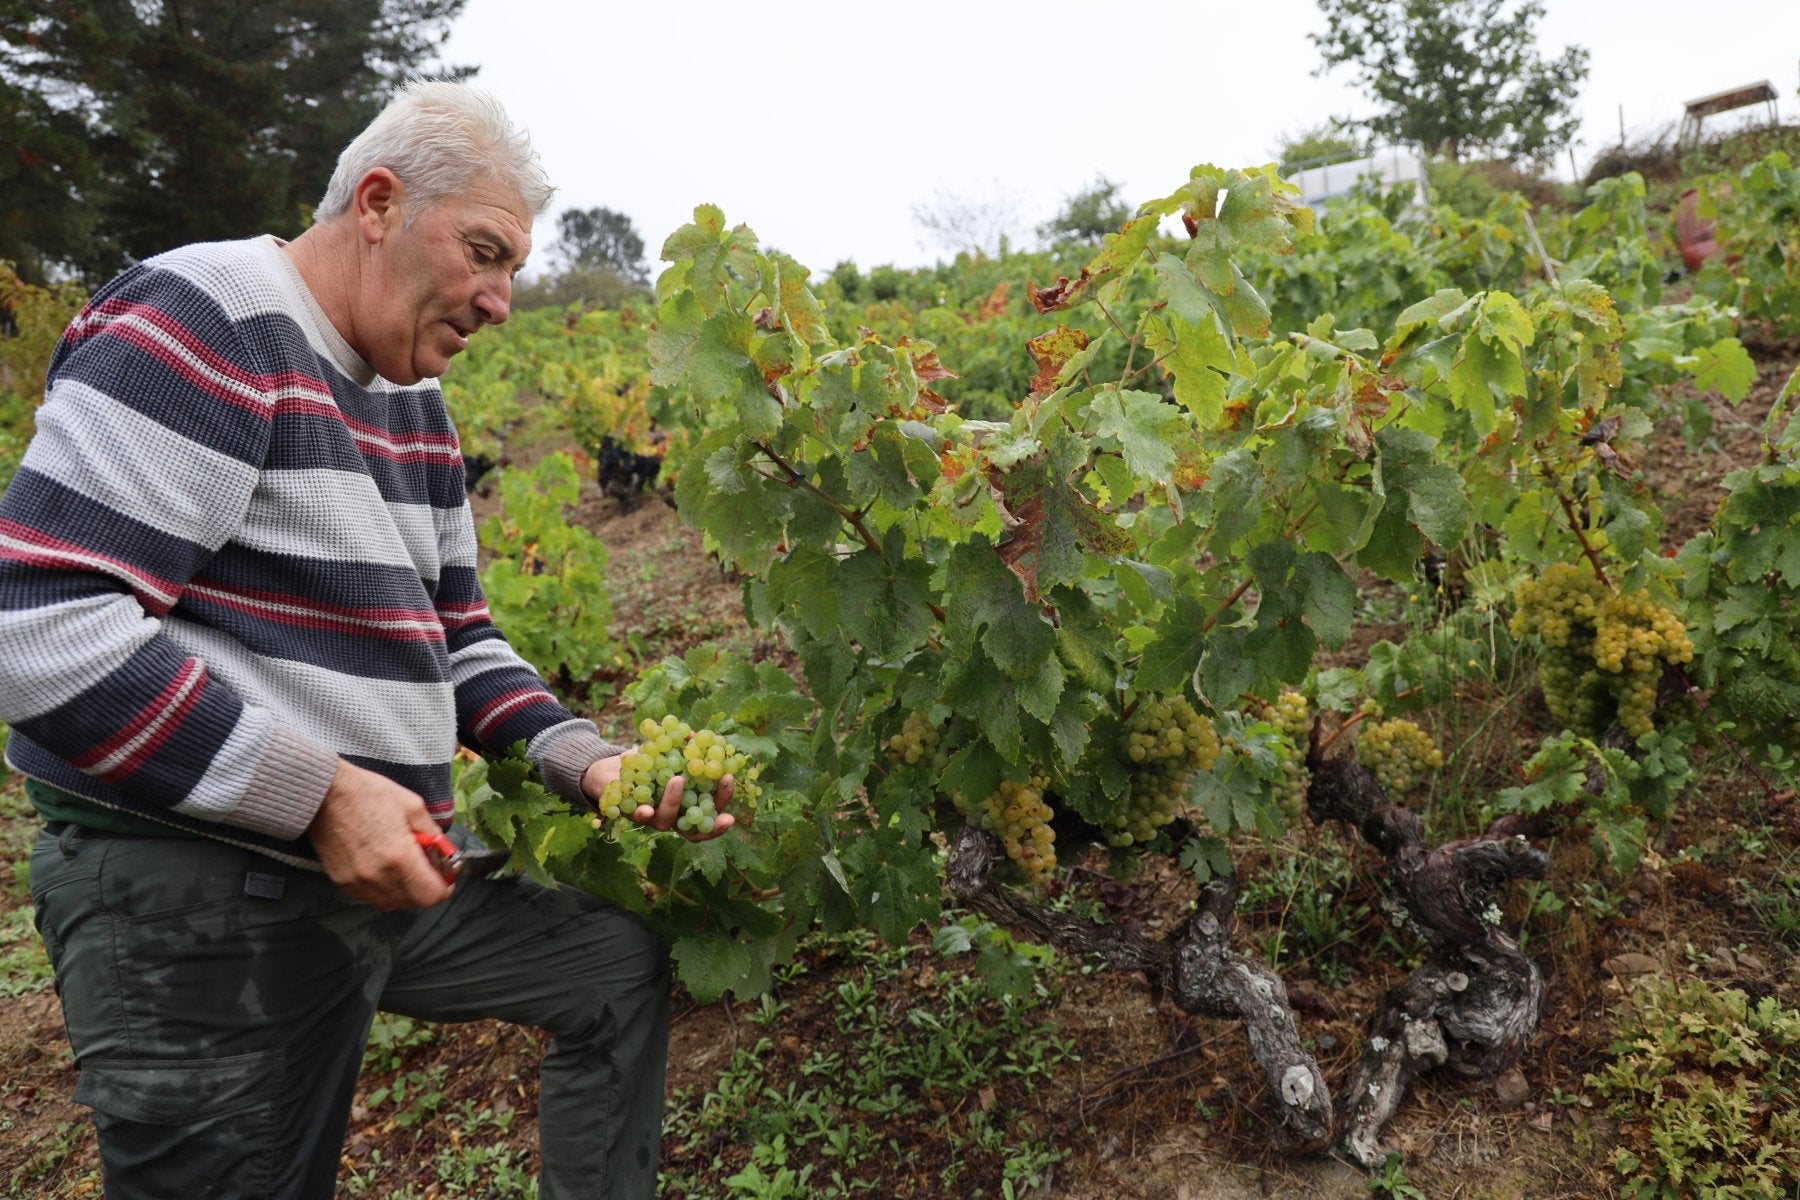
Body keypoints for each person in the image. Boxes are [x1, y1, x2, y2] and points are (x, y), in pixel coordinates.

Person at [0, 80, 729, 1200]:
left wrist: (591, 763)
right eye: (484, 253)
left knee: (610, 965)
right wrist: (323, 797)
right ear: (378, 203)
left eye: (514, 272)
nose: (499, 304)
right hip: (197, 889)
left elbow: (461, 638)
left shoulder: (410, 400)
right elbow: (43, 626)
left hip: (380, 873)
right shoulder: (206, 320)